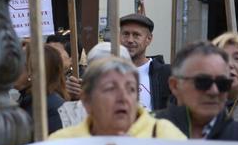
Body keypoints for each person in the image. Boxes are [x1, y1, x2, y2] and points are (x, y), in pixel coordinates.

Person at [48, 55, 184, 139]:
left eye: (130, 89)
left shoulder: (163, 135)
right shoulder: (63, 142)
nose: (123, 97)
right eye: (110, 88)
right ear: (87, 101)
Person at [156, 41, 238, 141]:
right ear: (175, 85)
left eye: (222, 83)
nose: (214, 91)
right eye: (203, 82)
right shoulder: (149, 130)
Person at [118, 13, 171, 112]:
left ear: (149, 39)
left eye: (136, 35)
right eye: (125, 34)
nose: (130, 40)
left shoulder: (166, 74)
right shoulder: (108, 72)